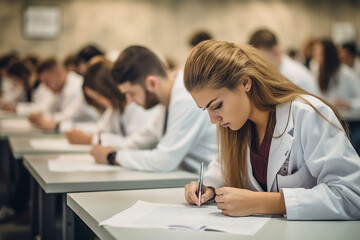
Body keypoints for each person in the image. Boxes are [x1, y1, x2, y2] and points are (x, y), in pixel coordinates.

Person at [183, 40, 360, 220]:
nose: (213, 120)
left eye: (217, 105)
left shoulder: (307, 115)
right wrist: (208, 187)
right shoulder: (237, 125)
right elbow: (223, 167)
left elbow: (352, 196)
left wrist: (262, 202)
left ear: (245, 83)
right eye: (206, 109)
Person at [90, 46, 217, 173]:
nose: (129, 100)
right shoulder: (168, 96)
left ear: (152, 83)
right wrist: (103, 146)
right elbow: (140, 140)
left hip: (209, 185)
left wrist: (112, 157)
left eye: (131, 93)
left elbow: (164, 160)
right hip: (188, 179)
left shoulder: (187, 97)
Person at [65, 57, 159, 144]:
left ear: (108, 89)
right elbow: (100, 129)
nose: (98, 102)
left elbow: (135, 142)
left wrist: (91, 139)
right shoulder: (115, 108)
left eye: (98, 97)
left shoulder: (136, 104)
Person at [28, 57, 99, 130]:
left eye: (47, 82)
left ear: (58, 74)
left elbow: (68, 115)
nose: (46, 87)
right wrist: (42, 117)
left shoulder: (75, 86)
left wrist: (45, 119)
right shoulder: (61, 88)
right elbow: (50, 109)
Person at [249, 29, 319, 95]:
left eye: (262, 58)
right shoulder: (275, 72)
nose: (258, 64)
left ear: (276, 51)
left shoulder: (296, 77)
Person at [311, 39, 360, 110]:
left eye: (320, 55)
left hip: (346, 118)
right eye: (315, 55)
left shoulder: (347, 74)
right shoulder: (317, 72)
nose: (317, 59)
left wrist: (348, 104)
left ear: (329, 55)